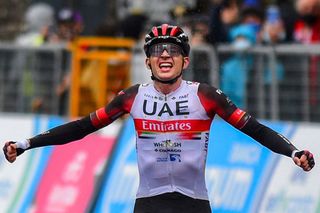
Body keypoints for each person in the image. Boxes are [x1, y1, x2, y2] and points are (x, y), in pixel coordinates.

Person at [3, 23, 315, 213]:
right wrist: (28, 143)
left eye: (173, 50)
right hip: (149, 204)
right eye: (158, 50)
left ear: (186, 60)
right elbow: (83, 126)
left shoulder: (205, 95)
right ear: (149, 61)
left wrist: (293, 151)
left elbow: (255, 129)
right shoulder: (131, 97)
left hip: (193, 203)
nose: (165, 55)